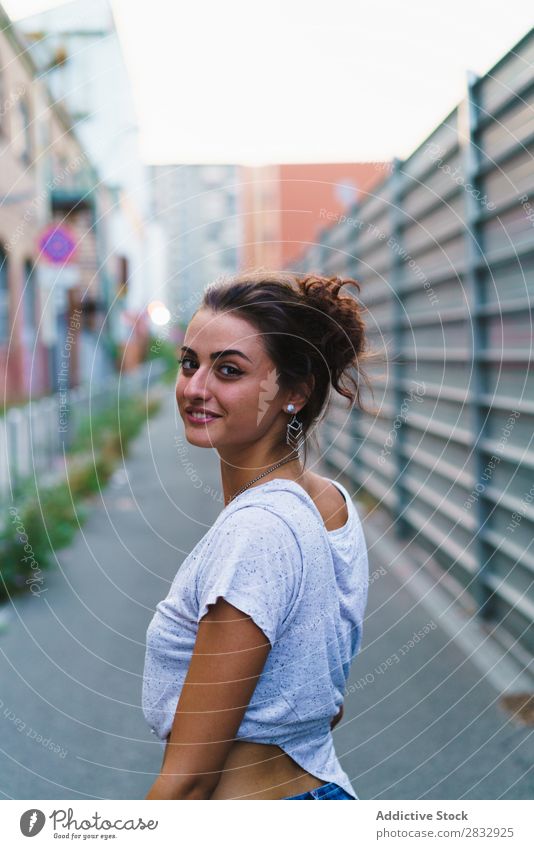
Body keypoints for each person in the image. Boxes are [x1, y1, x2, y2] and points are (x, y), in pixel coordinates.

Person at [142, 270, 374, 800]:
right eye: (189, 364)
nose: (195, 388)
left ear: (294, 392)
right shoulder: (329, 504)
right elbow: (324, 703)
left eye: (228, 370)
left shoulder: (258, 531)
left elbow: (190, 780)